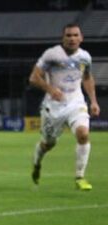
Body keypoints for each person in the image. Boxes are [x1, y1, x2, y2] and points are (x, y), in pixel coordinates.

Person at [29, 23, 100, 190]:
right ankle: (37, 163)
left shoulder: (85, 57)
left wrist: (94, 101)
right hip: (53, 107)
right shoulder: (52, 55)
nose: (72, 38)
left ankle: (80, 177)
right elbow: (33, 77)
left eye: (75, 35)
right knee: (48, 144)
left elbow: (87, 78)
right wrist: (50, 89)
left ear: (81, 38)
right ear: (63, 38)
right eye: (68, 35)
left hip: (76, 102)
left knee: (83, 134)